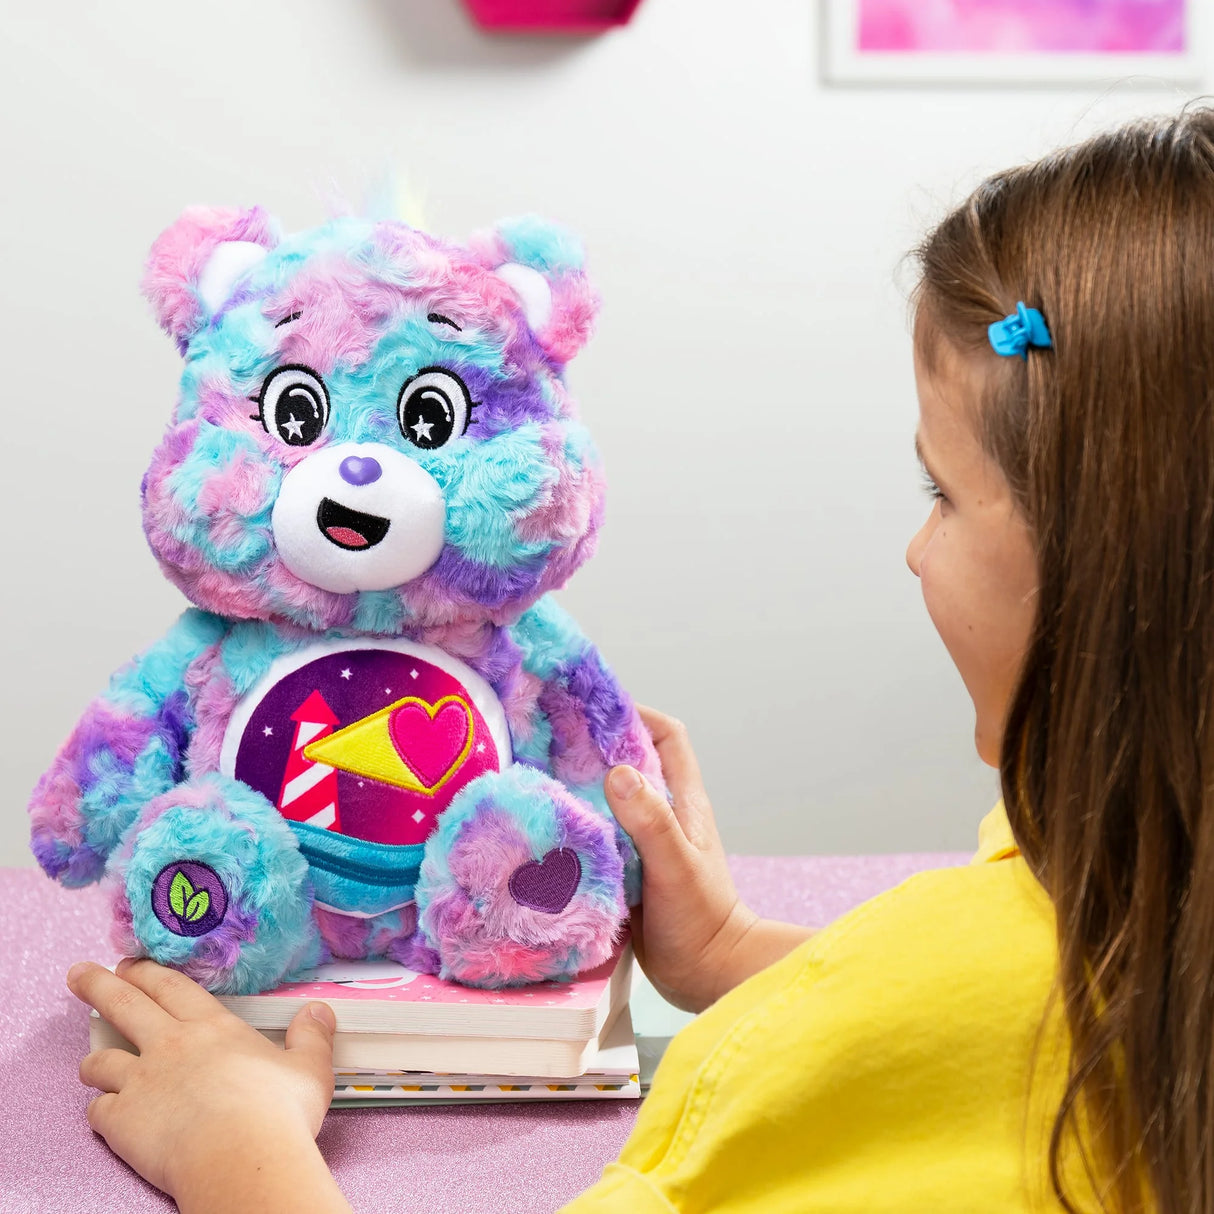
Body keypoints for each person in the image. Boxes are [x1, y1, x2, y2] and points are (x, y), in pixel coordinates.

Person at [64, 105, 1214, 1213]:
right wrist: (727, 952)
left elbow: (967, 1006)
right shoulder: (1106, 888)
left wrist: (235, 1144)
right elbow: (1013, 997)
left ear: (1112, 560)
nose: (916, 549)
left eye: (942, 492)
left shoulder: (958, 1001)